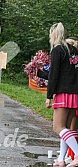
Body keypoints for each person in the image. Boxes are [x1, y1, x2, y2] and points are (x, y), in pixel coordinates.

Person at [46, 22, 78, 167]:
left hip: (63, 93)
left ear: (53, 34)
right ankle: (61, 159)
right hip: (75, 93)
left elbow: (54, 75)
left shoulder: (57, 50)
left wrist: (49, 96)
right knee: (67, 129)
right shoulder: (73, 50)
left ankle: (77, 154)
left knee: (58, 127)